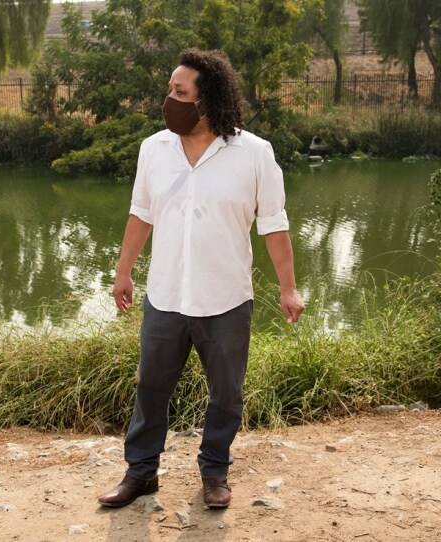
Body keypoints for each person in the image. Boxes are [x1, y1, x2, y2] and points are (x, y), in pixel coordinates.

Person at [98, 48, 304, 510]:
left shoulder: (254, 154)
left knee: (226, 395)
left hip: (226, 299)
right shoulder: (154, 149)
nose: (169, 99)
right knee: (151, 389)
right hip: (166, 296)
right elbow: (141, 214)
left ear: (207, 99)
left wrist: (288, 287)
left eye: (180, 92)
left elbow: (274, 225)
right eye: (170, 90)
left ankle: (214, 473)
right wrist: (123, 271)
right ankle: (141, 474)